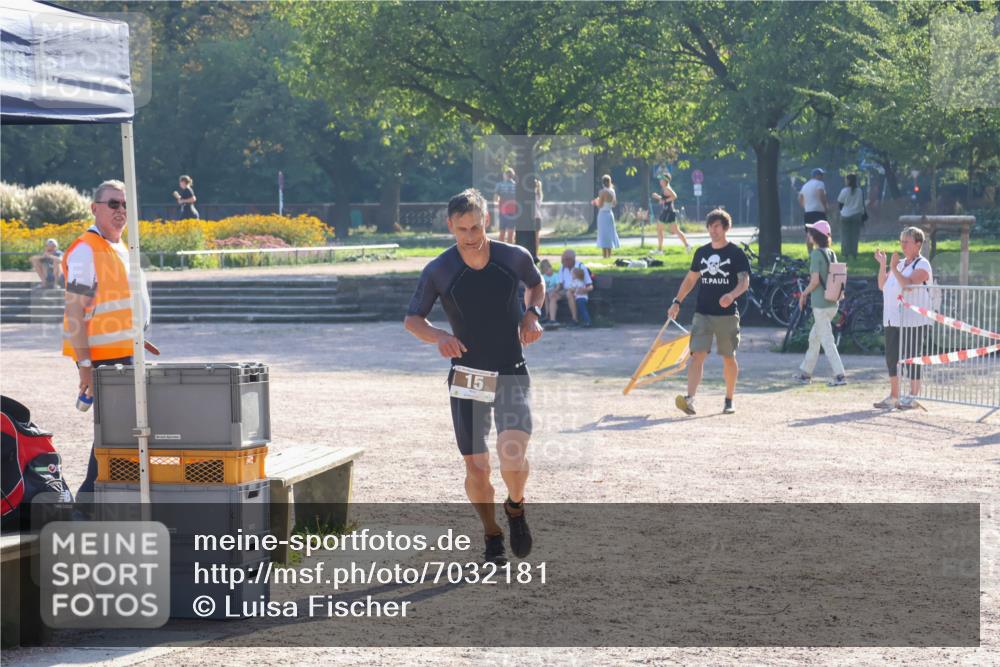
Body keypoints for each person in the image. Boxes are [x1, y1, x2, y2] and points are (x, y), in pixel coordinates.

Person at [404, 188, 544, 565]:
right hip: (468, 375)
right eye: (462, 228)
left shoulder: (514, 257)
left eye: (477, 226)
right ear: (450, 226)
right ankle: (491, 532)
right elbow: (412, 319)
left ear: (488, 221)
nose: (470, 235)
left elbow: (536, 285)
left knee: (512, 455)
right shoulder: (439, 269)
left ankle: (515, 507)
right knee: (477, 465)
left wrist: (532, 315)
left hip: (512, 370)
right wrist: (440, 337)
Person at [62, 179, 151, 496]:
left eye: (125, 204)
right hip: (102, 357)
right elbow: (74, 311)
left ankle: (105, 496)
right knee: (114, 431)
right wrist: (84, 365)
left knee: (125, 430)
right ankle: (88, 500)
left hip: (125, 352)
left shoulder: (118, 246)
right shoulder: (86, 249)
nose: (121, 210)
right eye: (113, 203)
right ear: (95, 208)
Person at [667, 209, 751, 415]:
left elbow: (745, 282)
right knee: (697, 356)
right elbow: (690, 280)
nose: (712, 231)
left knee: (728, 357)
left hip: (727, 314)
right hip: (702, 312)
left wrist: (731, 295)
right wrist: (677, 301)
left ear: (725, 228)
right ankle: (690, 399)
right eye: (710, 227)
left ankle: (729, 399)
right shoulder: (702, 253)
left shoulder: (736, 254)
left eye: (717, 227)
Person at [874, 226, 933, 411]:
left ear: (918, 244)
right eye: (901, 241)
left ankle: (913, 396)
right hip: (892, 318)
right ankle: (894, 395)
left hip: (913, 319)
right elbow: (882, 285)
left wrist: (892, 267)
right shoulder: (899, 265)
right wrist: (884, 265)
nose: (902, 245)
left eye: (906, 242)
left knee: (912, 357)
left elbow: (907, 284)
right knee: (892, 357)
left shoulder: (923, 264)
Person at [792, 220, 847, 386]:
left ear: (815, 236)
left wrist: (804, 293)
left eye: (810, 232)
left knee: (827, 341)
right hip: (832, 302)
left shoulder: (816, 254)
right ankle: (806, 373)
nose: (808, 235)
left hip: (820, 305)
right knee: (814, 338)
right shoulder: (831, 253)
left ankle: (840, 375)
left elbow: (815, 280)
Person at [547, 249, 593, 326]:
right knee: (553, 296)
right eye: (562, 260)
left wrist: (584, 290)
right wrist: (555, 290)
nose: (563, 262)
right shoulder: (562, 267)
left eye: (565, 260)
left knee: (569, 293)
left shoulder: (580, 267)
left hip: (576, 291)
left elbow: (590, 286)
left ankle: (574, 319)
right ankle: (552, 320)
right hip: (565, 289)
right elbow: (560, 284)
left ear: (571, 260)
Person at [651, 174, 689, 253]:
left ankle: (659, 250)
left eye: (661, 180)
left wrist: (663, 200)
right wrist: (658, 197)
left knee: (660, 229)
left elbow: (674, 196)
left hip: (668, 212)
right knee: (675, 230)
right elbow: (665, 199)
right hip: (668, 212)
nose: (659, 181)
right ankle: (687, 246)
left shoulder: (667, 188)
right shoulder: (665, 188)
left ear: (665, 181)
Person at [837, 173, 865, 260]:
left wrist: (842, 211)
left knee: (845, 235)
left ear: (848, 180)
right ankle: (854, 254)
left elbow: (840, 203)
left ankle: (845, 254)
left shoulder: (844, 191)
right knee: (854, 236)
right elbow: (861, 204)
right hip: (856, 215)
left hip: (845, 215)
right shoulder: (859, 191)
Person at [593, 174, 619, 259]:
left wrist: (595, 203)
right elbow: (614, 204)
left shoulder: (602, 192)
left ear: (603, 182)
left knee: (603, 235)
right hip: (610, 213)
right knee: (609, 235)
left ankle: (604, 256)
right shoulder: (612, 191)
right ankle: (609, 256)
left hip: (603, 214)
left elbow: (600, 205)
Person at [493, 168, 517, 244]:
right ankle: (510, 250)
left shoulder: (499, 185)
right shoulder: (516, 186)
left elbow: (495, 198)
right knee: (511, 233)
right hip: (513, 211)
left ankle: (501, 251)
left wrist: (497, 206)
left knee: (502, 232)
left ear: (505, 175)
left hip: (503, 211)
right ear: (513, 176)